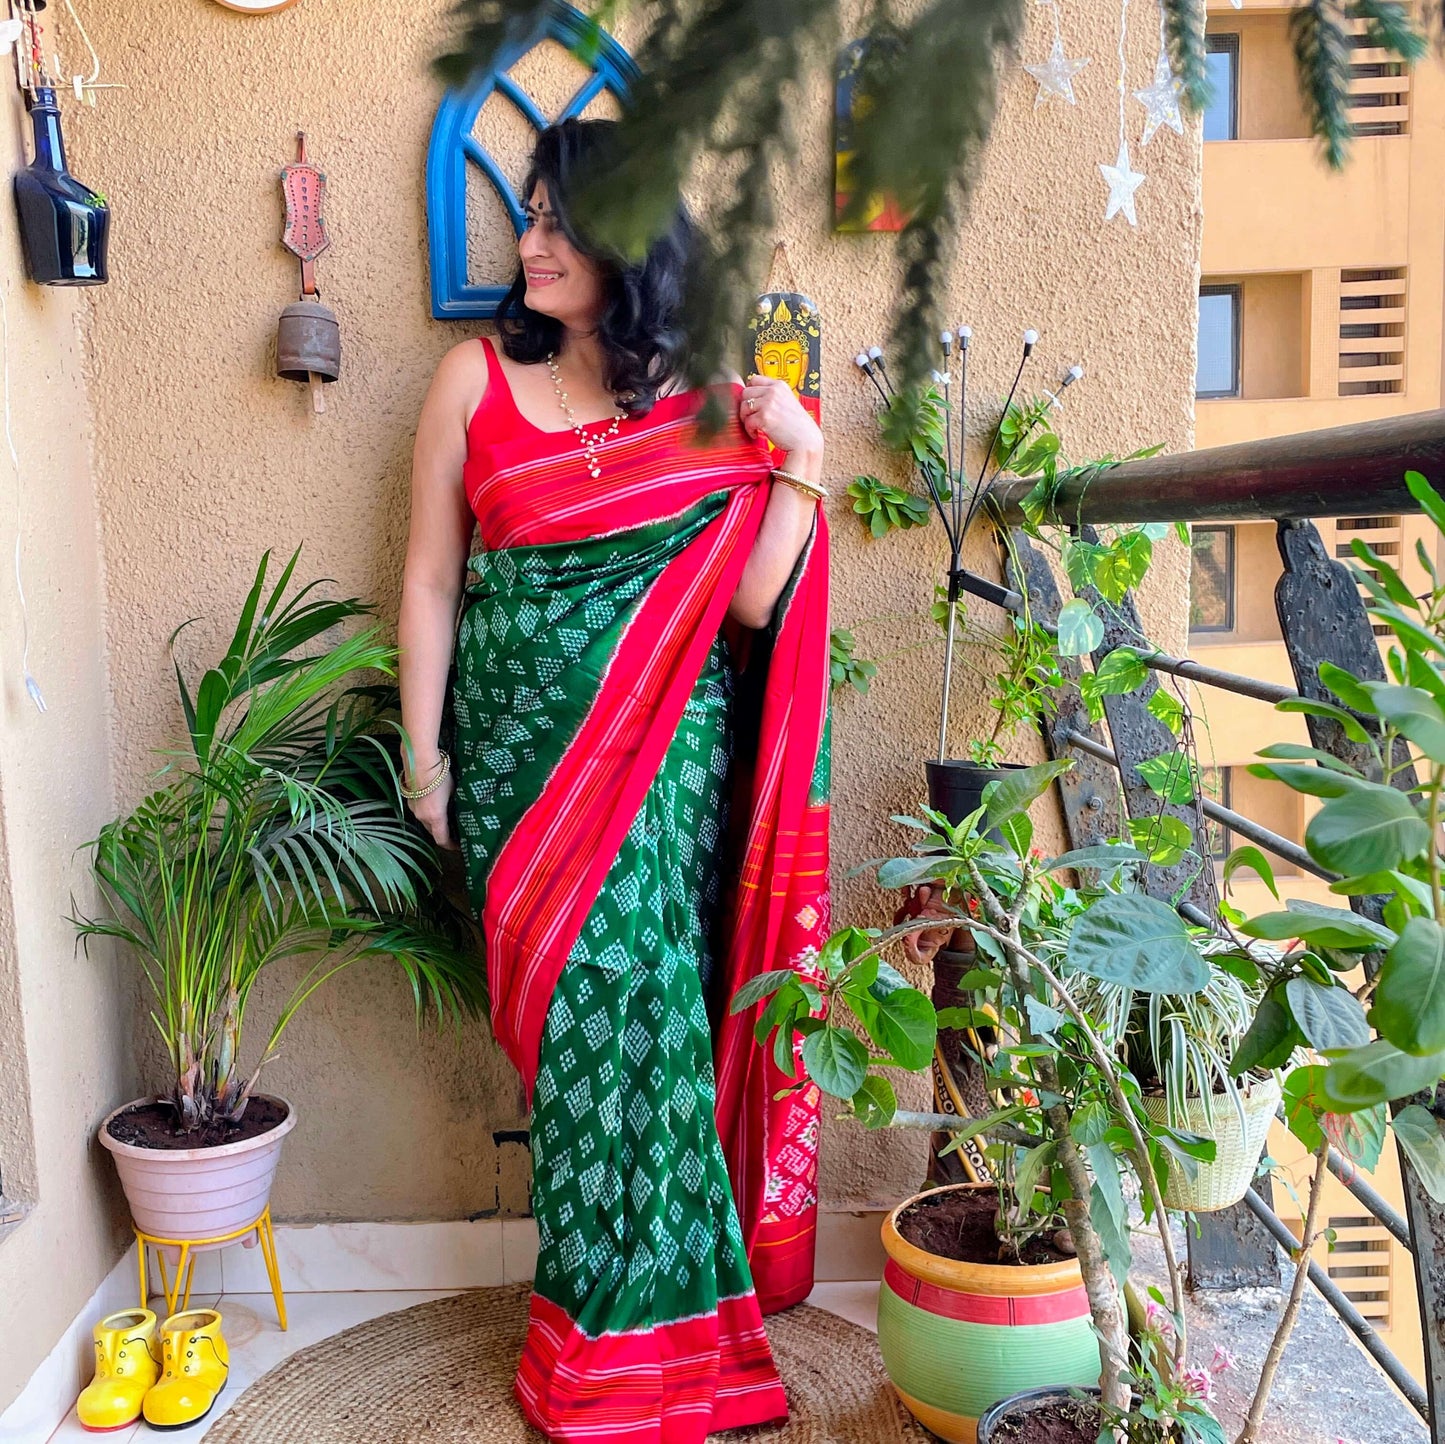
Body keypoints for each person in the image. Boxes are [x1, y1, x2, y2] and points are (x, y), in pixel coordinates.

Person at [398, 117, 832, 1443]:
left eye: (553, 222)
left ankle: (631, 1348)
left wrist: (801, 462)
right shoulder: (470, 384)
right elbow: (425, 580)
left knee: (645, 1025)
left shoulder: (708, 410)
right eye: (524, 217)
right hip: (522, 782)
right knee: (586, 1047)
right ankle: (629, 1334)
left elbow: (753, 603)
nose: (526, 245)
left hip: (664, 778)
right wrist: (426, 764)